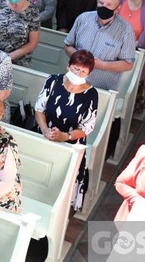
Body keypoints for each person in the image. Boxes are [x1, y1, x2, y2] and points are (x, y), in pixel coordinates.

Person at [35, 50, 99, 211]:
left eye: (83, 71)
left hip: (72, 141)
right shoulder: (53, 81)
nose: (78, 73)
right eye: (76, 69)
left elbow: (86, 127)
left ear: (88, 74)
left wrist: (65, 136)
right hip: (46, 135)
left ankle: (60, 210)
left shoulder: (91, 95)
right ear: (68, 65)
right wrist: (45, 130)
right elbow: (39, 109)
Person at [64, 0, 136, 91]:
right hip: (73, 82)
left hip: (100, 88)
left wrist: (102, 65)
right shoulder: (83, 18)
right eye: (101, 3)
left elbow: (128, 64)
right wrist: (80, 58)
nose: (104, 7)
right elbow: (67, 46)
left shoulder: (126, 30)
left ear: (117, 8)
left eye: (109, 5)